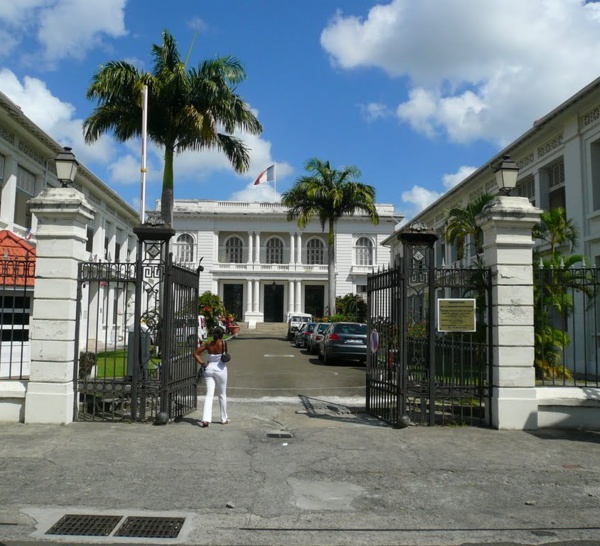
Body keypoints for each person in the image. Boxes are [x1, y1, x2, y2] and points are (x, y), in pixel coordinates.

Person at [193, 326, 229, 427]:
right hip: (220, 369)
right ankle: (223, 418)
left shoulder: (208, 344)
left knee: (209, 395)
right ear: (222, 335)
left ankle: (205, 419)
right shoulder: (223, 344)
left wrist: (203, 364)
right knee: (222, 394)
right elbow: (225, 356)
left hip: (209, 369)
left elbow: (195, 353)